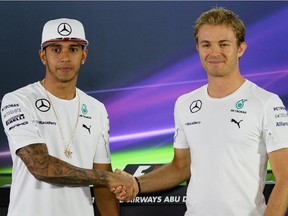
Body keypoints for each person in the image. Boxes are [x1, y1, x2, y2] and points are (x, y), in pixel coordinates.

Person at [113, 7, 288, 216]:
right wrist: (136, 183)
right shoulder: (185, 104)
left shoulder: (266, 102)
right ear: (198, 48)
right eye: (206, 44)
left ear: (240, 49)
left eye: (224, 44)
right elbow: (180, 168)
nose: (214, 53)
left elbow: (285, 179)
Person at [0, 18, 136, 216]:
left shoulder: (96, 109)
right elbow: (41, 166)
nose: (65, 57)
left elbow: (102, 186)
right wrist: (107, 179)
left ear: (84, 55)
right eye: (56, 49)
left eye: (73, 49)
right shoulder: (18, 100)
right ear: (43, 56)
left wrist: (109, 181)